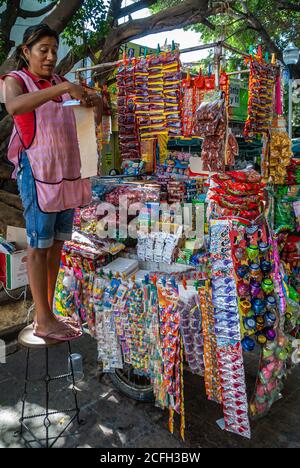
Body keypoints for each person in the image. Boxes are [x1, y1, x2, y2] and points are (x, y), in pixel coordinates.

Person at [0, 24, 103, 341]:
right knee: (38, 248)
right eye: (43, 49)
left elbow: (94, 118)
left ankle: (49, 313)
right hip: (38, 176)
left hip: (65, 176)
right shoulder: (14, 81)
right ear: (25, 52)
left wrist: (92, 100)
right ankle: (42, 320)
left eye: (54, 49)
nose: (50, 55)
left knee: (57, 244)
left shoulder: (61, 83)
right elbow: (15, 107)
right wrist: (64, 89)